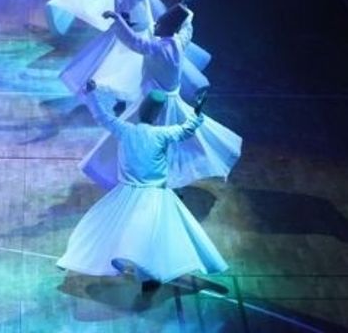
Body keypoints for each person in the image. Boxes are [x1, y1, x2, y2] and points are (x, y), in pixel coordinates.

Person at [57, 81, 227, 291]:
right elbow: (187, 130)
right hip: (154, 195)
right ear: (157, 115)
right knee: (150, 236)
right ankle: (147, 274)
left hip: (128, 193)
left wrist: (92, 95)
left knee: (112, 230)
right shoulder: (161, 134)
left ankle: (142, 271)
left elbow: (102, 117)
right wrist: (197, 112)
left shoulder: (125, 130)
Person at [79, 0, 242, 190]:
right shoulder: (179, 42)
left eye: (159, 24)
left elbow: (133, 41)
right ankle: (161, 177)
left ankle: (140, 177)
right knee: (171, 141)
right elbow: (187, 28)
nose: (155, 25)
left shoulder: (157, 48)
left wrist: (117, 19)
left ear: (166, 28)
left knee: (135, 140)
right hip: (171, 100)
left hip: (153, 104)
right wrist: (185, 9)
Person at [60, 0, 210, 103]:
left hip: (139, 32)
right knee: (106, 61)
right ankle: (104, 90)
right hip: (120, 31)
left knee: (134, 69)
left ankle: (126, 96)